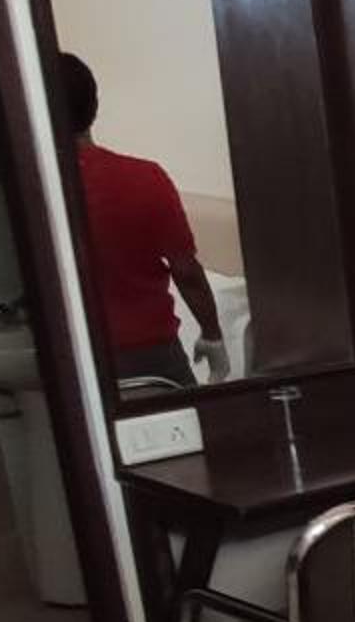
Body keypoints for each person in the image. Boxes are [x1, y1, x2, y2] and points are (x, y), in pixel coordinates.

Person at [53, 53, 226, 387]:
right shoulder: (144, 178)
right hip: (150, 354)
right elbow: (186, 271)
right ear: (94, 106)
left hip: (69, 356)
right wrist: (213, 334)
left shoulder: (32, 191)